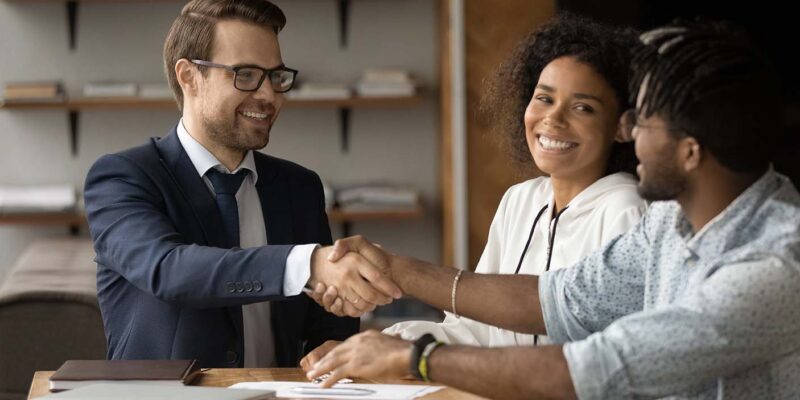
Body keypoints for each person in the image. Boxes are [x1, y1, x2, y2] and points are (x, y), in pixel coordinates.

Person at [304, 18, 800, 399]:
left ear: (690, 152)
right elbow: (554, 301)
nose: (630, 132)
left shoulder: (771, 269)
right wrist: (394, 270)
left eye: (642, 121)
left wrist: (417, 358)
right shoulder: (671, 222)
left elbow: (597, 369)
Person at [302, 14, 646, 361]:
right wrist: (374, 345)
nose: (553, 118)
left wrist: (401, 275)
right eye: (544, 98)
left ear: (622, 126)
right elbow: (476, 331)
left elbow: (613, 354)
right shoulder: (520, 200)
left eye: (582, 108)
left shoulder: (627, 209)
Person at [83, 0, 400, 369]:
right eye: (246, 75)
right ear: (189, 76)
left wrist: (332, 344)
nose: (268, 95)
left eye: (276, 77)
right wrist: (307, 263)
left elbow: (327, 319)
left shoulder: (300, 187)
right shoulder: (122, 177)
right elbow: (168, 270)